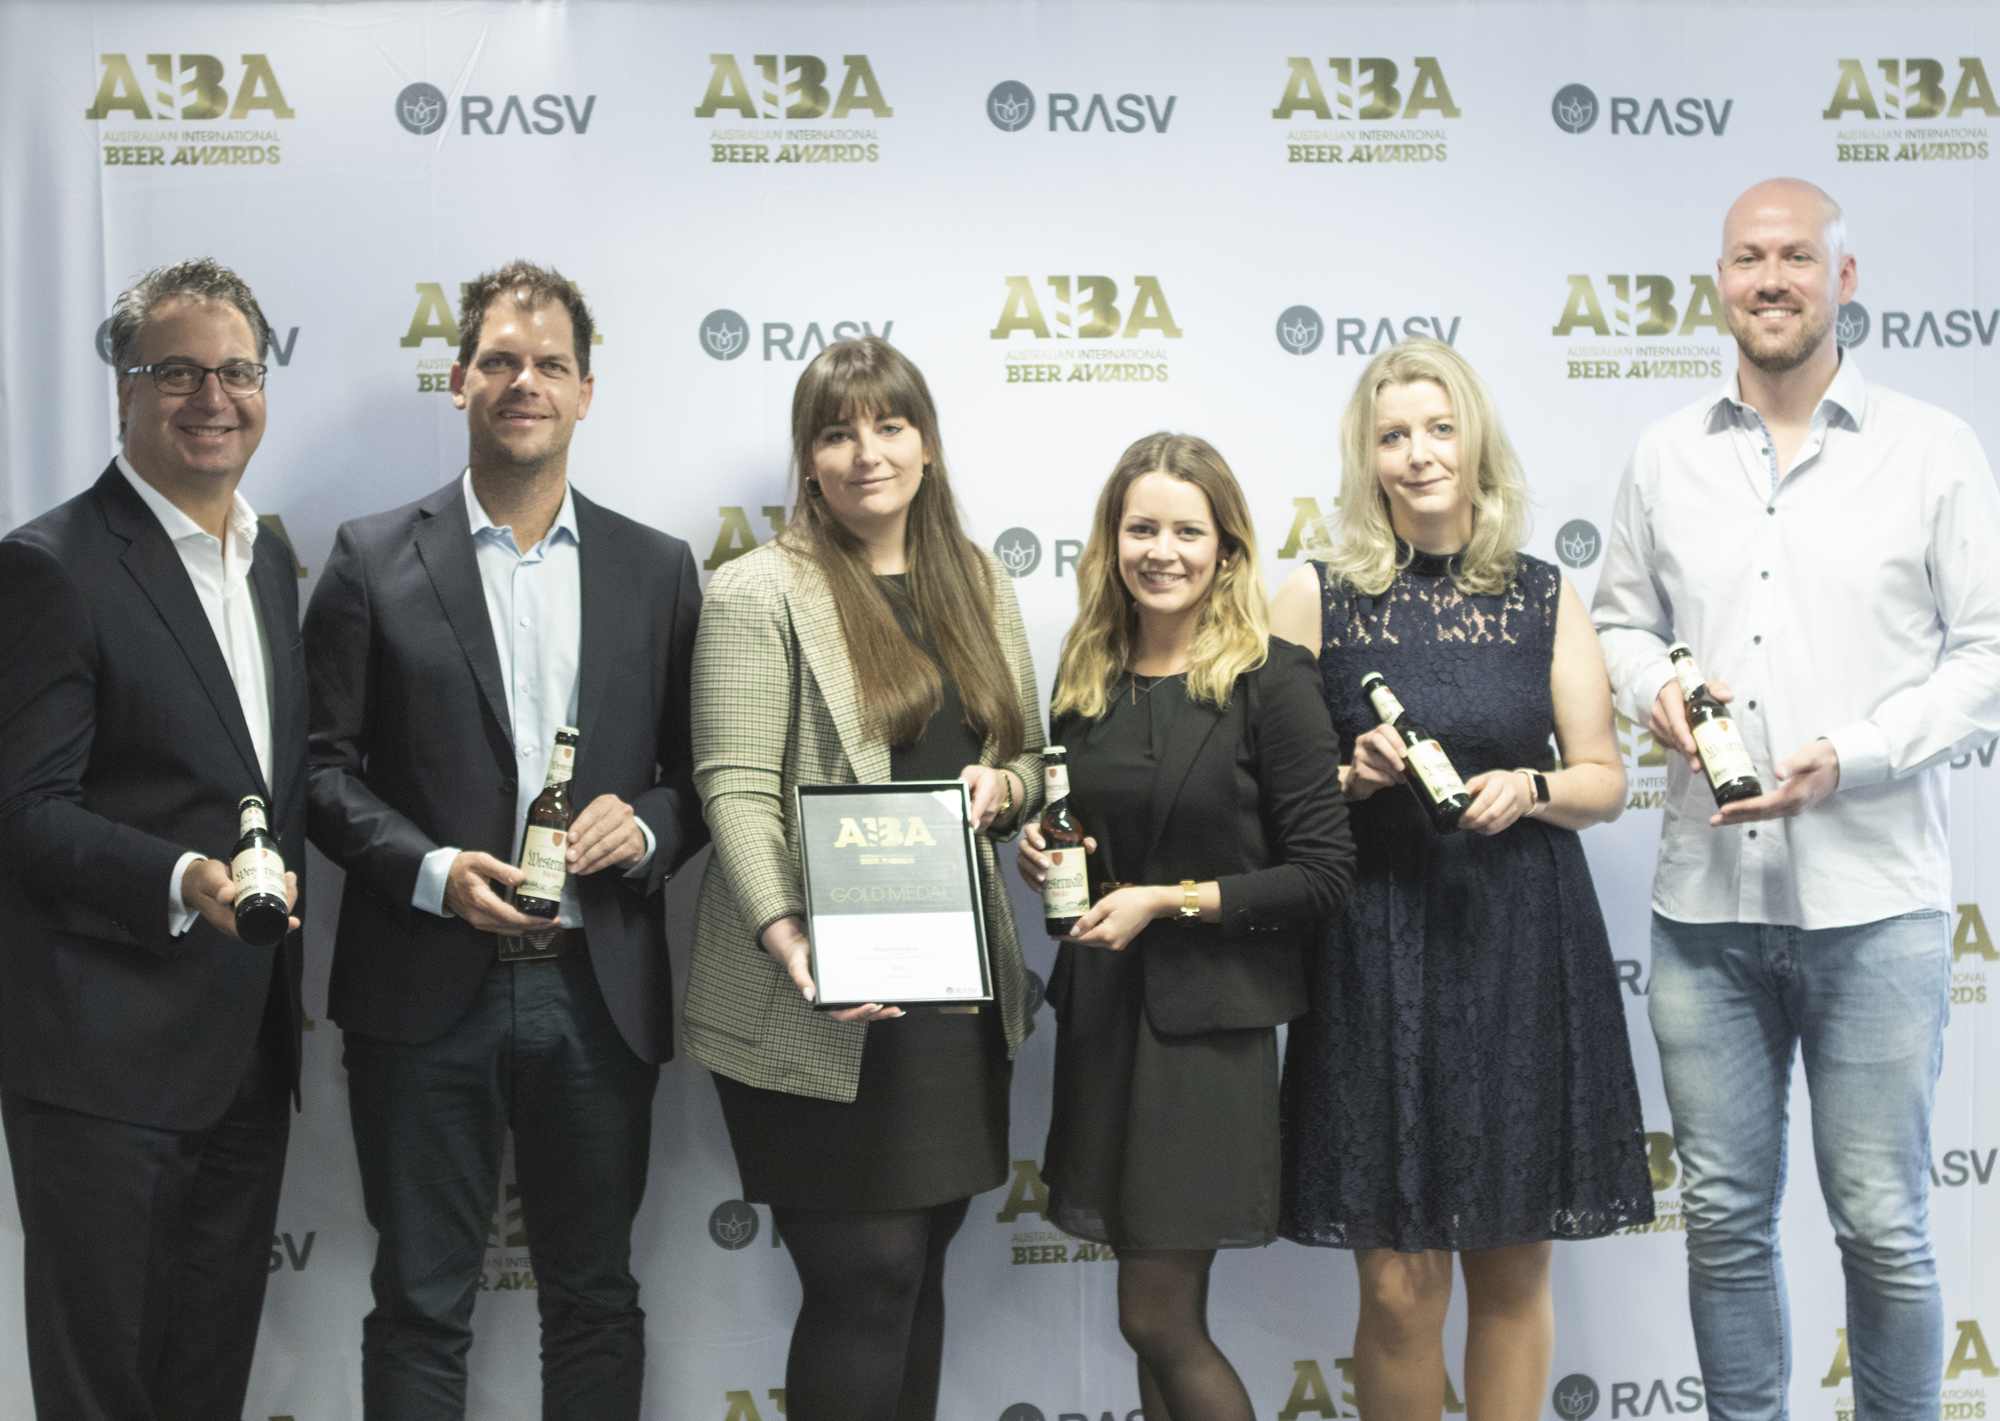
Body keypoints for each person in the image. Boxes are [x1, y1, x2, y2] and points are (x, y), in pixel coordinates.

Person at [1591, 179, 2000, 1421]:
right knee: (1719, 1217)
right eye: (1745, 259)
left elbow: (1984, 654)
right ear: (1718, 280)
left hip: (1871, 902)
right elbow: (1617, 618)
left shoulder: (1930, 448)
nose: (1769, 280)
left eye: (1795, 258)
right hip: (1702, 912)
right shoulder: (1663, 453)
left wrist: (1853, 749)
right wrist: (1655, 683)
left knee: (1880, 1225)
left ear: (1843, 275)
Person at [304, 261, 706, 1420]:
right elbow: (318, 774)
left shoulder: (656, 566)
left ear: (587, 391)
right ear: (458, 381)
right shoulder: (371, 556)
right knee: (420, 1303)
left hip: (597, 990)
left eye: (548, 363)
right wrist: (428, 871)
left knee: (594, 1297)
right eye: (498, 360)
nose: (522, 381)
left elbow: (697, 779)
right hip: (425, 987)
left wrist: (648, 825)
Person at [1272, 337, 1652, 1421]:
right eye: (1393, 435)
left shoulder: (1539, 592)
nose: (1418, 453)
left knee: (1509, 1258)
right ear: (1365, 456)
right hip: (1371, 943)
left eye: (1438, 428)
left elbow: (1602, 778)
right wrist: (1347, 774)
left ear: (1473, 439)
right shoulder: (1312, 595)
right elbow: (1270, 793)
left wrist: (1530, 785)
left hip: (1516, 938)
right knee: (1396, 1279)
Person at [685, 336, 1043, 1421]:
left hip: (949, 987)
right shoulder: (756, 590)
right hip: (816, 989)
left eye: (887, 425)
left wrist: (1005, 790)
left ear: (925, 445)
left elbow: (1026, 754)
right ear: (806, 459)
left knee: (919, 1265)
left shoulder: (977, 580)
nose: (864, 451)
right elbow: (735, 786)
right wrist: (789, 934)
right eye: (835, 431)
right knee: (866, 1273)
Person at [0, 257, 305, 1419]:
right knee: (105, 1386)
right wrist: (182, 876)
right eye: (174, 371)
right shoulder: (49, 567)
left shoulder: (268, 557)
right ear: (122, 391)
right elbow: (24, 808)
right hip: (101, 1057)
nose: (211, 397)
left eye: (236, 371)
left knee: (204, 1381)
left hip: (242, 1049)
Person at [1016, 433, 1352, 1421]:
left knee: (1156, 1318)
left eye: (1185, 530)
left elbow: (1323, 875)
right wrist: (1046, 848)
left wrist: (1170, 898)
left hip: (1206, 1034)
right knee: (1151, 1320)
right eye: (1140, 527)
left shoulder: (1271, 678)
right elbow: (1088, 825)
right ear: (1111, 540)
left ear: (1226, 547)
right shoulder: (1085, 675)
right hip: (1106, 1019)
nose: (1160, 550)